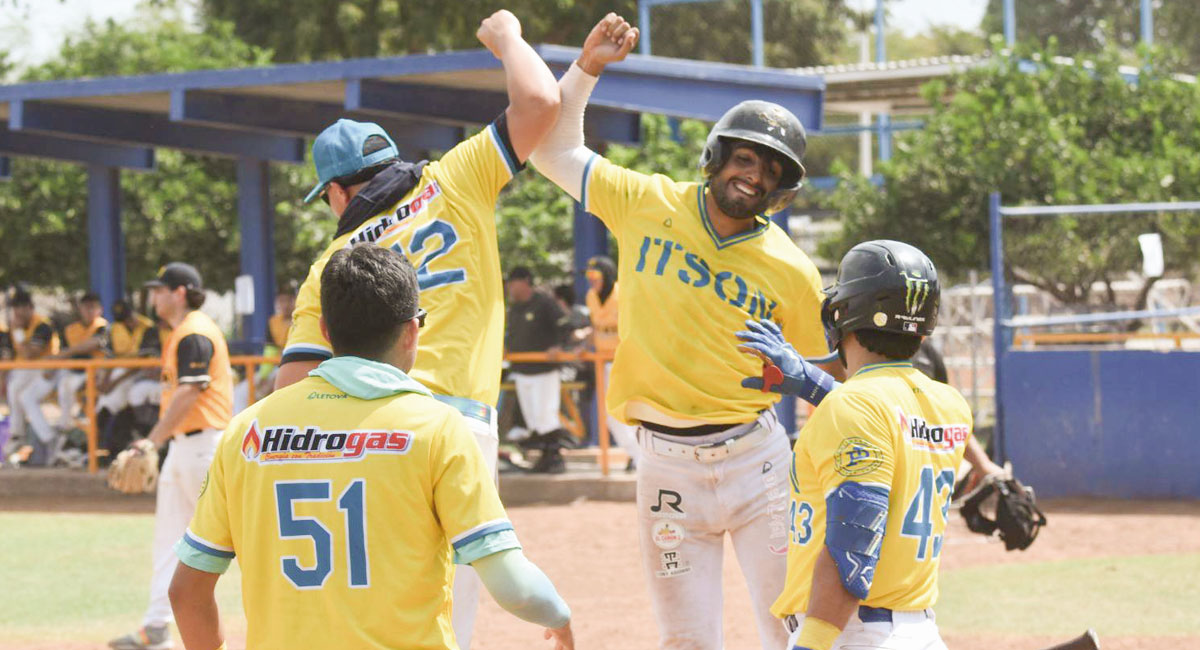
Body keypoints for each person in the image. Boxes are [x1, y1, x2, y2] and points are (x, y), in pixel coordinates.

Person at [529, 14, 840, 649]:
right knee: (685, 640)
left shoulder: (793, 271)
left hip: (758, 462)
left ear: (781, 191)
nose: (753, 176)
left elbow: (824, 378)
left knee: (792, 632)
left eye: (771, 172)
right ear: (718, 157)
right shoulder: (648, 202)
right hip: (666, 469)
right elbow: (550, 151)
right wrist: (586, 69)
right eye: (746, 158)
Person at [273, 12, 559, 644]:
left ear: (339, 195)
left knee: (382, 603)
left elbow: (290, 383)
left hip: (369, 436)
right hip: (456, 427)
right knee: (447, 612)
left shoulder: (333, 263)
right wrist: (507, 36)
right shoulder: (455, 176)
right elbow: (542, 99)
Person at [168, 244, 574, 650]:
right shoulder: (434, 427)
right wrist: (559, 617)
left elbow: (186, 592)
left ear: (325, 330)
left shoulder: (247, 431)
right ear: (413, 329)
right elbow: (514, 586)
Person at [735, 240, 970, 650]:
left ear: (842, 313)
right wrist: (811, 382)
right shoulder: (949, 404)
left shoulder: (852, 406)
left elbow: (853, 545)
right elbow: (879, 420)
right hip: (918, 633)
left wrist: (810, 644)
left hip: (849, 633)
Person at [109, 263, 233, 650]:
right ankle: (156, 626)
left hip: (204, 448)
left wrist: (150, 441)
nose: (155, 297)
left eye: (160, 289)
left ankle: (289, 618)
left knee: (240, 536)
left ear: (181, 292)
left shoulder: (195, 332)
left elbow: (190, 392)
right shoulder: (181, 332)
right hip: (183, 448)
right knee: (168, 540)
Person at [505, 266, 571, 473]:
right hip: (522, 370)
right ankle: (545, 458)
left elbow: (565, 325)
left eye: (512, 281)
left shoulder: (544, 303)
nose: (509, 286)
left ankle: (555, 458)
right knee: (533, 417)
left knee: (546, 415)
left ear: (525, 281)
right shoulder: (514, 309)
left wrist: (558, 346)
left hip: (544, 370)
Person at [584, 255, 641, 471]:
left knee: (632, 413)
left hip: (627, 362)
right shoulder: (591, 296)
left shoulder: (622, 295)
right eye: (588, 276)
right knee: (612, 417)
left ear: (606, 276)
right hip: (604, 363)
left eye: (595, 276)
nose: (591, 280)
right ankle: (636, 455)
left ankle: (640, 457)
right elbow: (598, 329)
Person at [6, 289, 61, 466]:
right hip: (30, 372)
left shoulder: (42, 325)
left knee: (25, 396)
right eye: (15, 308)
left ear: (30, 308)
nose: (16, 313)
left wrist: (18, 331)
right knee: (15, 388)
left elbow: (29, 354)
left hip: (49, 372)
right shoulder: (17, 326)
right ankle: (19, 433)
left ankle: (48, 438)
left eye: (20, 308)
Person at [96, 299, 156, 458]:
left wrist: (114, 381)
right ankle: (105, 443)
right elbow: (110, 358)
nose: (127, 322)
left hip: (140, 373)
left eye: (128, 318)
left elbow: (142, 363)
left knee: (122, 399)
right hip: (120, 372)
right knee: (104, 402)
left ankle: (123, 438)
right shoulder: (115, 328)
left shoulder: (148, 327)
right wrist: (105, 380)